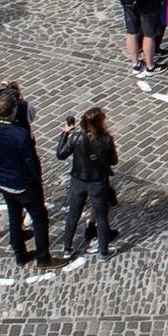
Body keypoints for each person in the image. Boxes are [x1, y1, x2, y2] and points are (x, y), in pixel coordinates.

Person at [0, 88, 53, 266]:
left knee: (14, 216)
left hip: (3, 180)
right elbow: (30, 161)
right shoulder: (21, 134)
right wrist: (36, 179)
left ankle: (19, 253)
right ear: (13, 111)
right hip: (23, 182)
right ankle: (43, 258)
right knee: (40, 219)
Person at [59, 107, 122, 258]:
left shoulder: (76, 138)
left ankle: (67, 248)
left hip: (78, 180)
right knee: (101, 216)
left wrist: (65, 132)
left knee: (73, 214)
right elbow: (113, 161)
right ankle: (103, 251)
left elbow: (61, 154)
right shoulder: (106, 139)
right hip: (97, 182)